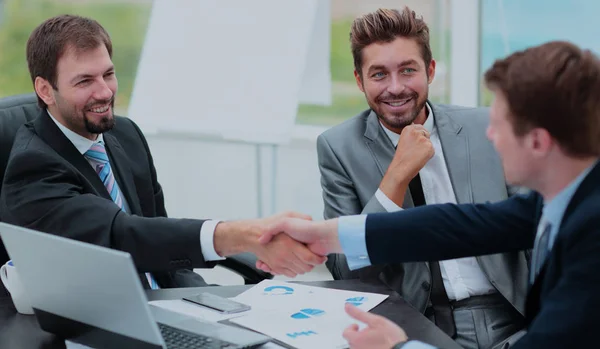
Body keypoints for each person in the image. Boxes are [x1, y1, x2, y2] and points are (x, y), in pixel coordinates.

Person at [258, 40, 600, 349]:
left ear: (538, 142)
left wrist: (399, 348)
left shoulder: (592, 238)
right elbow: (461, 225)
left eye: (500, 126)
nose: (491, 136)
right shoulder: (562, 198)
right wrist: (325, 236)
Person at [0, 14, 325, 290]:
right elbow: (122, 237)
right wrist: (240, 235)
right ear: (45, 90)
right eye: (84, 81)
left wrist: (205, 303)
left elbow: (159, 234)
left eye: (108, 74)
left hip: (168, 303)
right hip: (104, 321)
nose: (104, 92)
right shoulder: (33, 166)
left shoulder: (125, 134)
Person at [314, 7, 527, 348]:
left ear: (430, 70)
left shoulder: (485, 128)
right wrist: (395, 178)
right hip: (415, 324)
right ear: (359, 80)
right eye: (379, 74)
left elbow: (538, 229)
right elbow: (345, 271)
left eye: (407, 70)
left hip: (514, 315)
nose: (395, 88)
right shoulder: (337, 148)